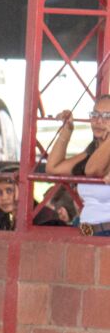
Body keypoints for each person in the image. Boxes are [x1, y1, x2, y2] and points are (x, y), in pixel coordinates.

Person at [45, 98, 110, 236]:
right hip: (87, 231)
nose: (99, 121)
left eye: (107, 116)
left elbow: (92, 170)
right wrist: (67, 129)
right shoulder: (91, 152)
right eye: (95, 115)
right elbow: (53, 168)